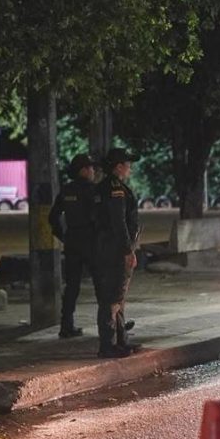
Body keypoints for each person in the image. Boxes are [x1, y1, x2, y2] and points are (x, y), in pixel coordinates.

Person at [92, 148, 141, 358]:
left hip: (106, 247)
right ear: (118, 166)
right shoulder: (115, 189)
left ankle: (121, 341)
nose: (130, 167)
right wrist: (128, 250)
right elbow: (118, 222)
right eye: (127, 163)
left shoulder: (102, 188)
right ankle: (108, 344)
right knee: (113, 298)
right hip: (115, 250)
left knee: (117, 297)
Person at [49, 153, 100, 339]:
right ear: (84, 170)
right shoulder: (94, 190)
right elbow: (99, 218)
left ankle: (66, 326)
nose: (93, 171)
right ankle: (110, 324)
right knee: (101, 284)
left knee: (72, 286)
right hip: (90, 242)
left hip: (72, 241)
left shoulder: (66, 190)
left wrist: (63, 236)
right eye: (91, 168)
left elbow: (53, 217)